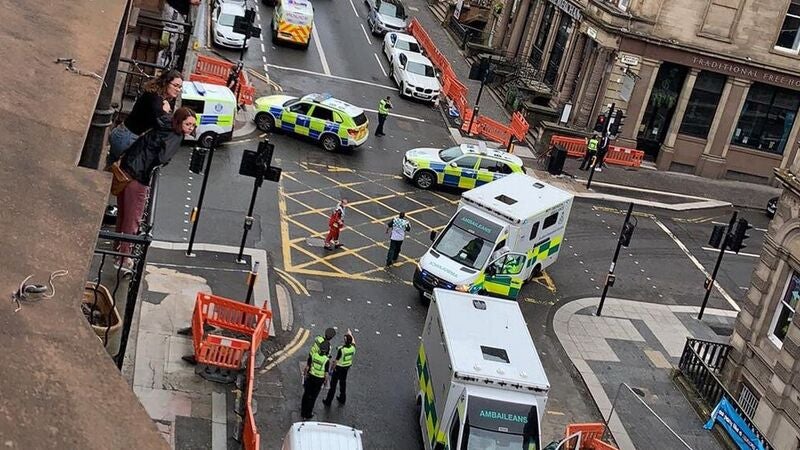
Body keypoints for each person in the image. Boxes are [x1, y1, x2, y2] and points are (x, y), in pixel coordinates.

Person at [115, 107, 197, 271]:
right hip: (139, 176)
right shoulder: (176, 136)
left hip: (126, 168)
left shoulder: (164, 123)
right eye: (188, 124)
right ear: (179, 122)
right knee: (133, 219)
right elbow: (163, 157)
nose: (191, 128)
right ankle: (123, 259)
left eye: (193, 125)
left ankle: (118, 249)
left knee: (123, 214)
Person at [107, 70, 184, 167]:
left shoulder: (154, 95)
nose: (178, 89)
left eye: (180, 87)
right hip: (128, 139)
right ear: (165, 83)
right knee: (121, 175)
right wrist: (166, 111)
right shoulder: (156, 101)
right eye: (175, 85)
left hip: (123, 134)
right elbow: (163, 124)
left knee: (112, 170)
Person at [323, 330, 356, 406]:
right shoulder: (353, 348)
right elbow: (354, 343)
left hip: (338, 368)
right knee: (343, 383)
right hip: (346, 367)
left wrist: (331, 369)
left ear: (345, 341)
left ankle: (328, 401)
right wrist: (351, 335)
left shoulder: (342, 350)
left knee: (333, 385)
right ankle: (342, 398)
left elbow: (336, 361)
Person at [301, 341, 330, 420]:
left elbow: (307, 368)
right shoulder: (326, 360)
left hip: (310, 377)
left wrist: (304, 375)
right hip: (319, 380)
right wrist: (325, 382)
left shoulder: (313, 355)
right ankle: (308, 413)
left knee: (306, 394)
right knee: (313, 397)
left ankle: (303, 412)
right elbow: (326, 374)